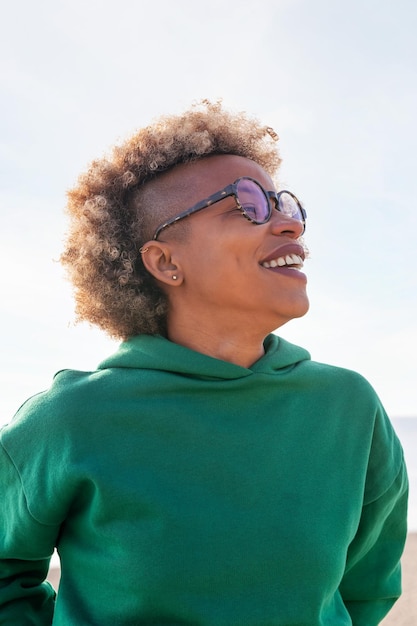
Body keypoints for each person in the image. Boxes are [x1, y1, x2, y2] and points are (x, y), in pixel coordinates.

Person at [0, 100, 408, 625]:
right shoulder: (70, 419)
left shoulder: (349, 406)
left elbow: (367, 587)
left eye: (284, 203)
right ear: (166, 261)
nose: (288, 225)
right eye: (247, 204)